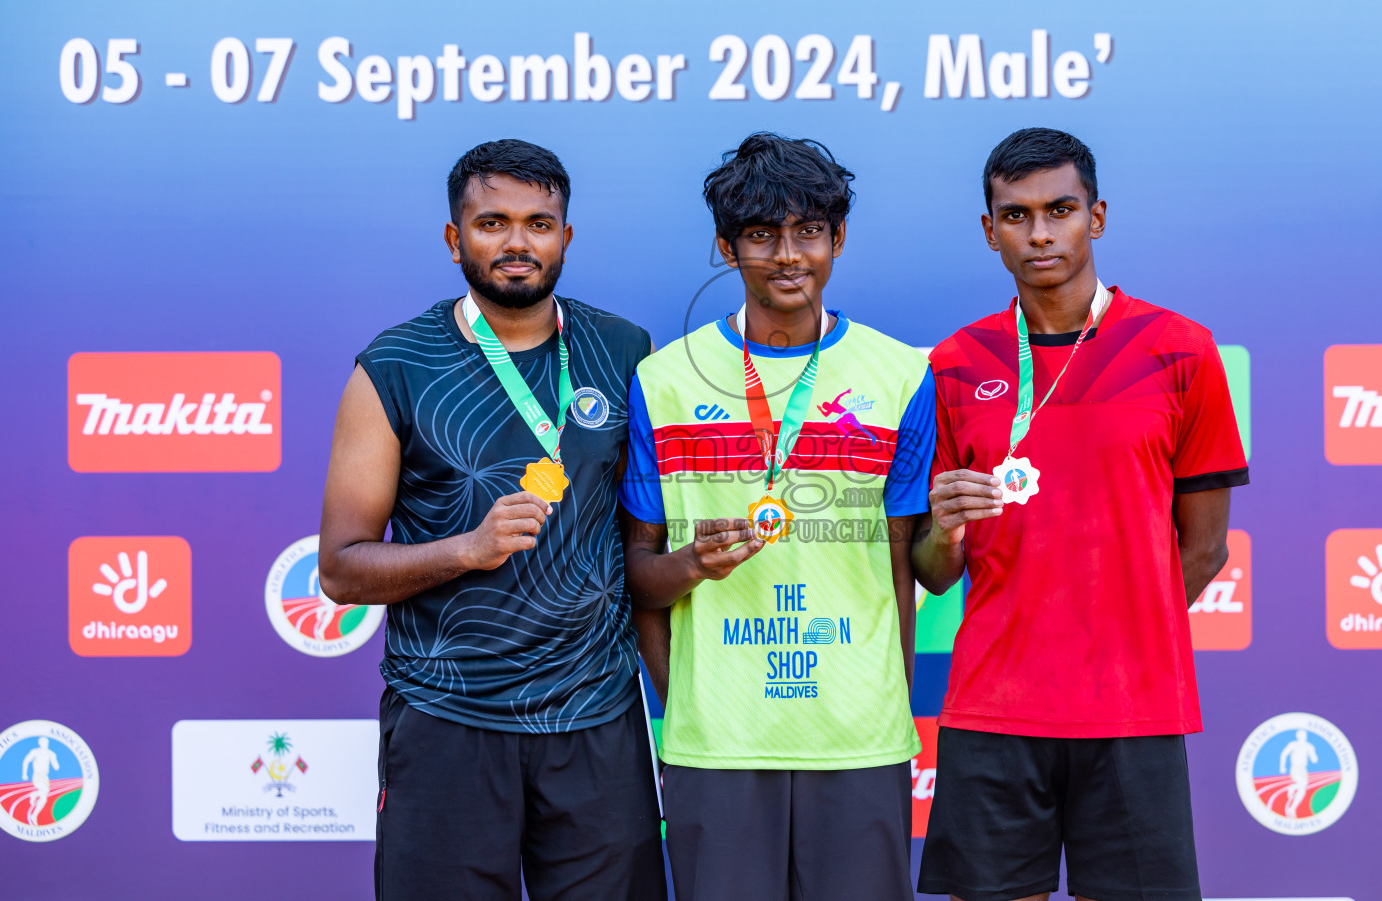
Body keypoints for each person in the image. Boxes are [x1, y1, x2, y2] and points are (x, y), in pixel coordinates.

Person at [317, 139, 665, 901]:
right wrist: (466, 550)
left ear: (565, 239)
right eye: (492, 223)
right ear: (454, 240)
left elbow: (648, 537)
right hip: (448, 716)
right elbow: (341, 569)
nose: (517, 243)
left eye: (539, 224)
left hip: (595, 714)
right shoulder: (396, 366)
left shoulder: (624, 350)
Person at [914, 128, 1249, 901]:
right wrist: (948, 527)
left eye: (1059, 210)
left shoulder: (1180, 351)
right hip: (994, 710)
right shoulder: (954, 365)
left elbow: (1204, 551)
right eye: (1016, 215)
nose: (1039, 233)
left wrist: (1120, 630)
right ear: (989, 230)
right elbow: (935, 572)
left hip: (1133, 711)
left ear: (1095, 217)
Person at [619, 132, 935, 901]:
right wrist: (687, 695)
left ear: (838, 239)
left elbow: (903, 565)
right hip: (716, 742)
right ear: (727, 247)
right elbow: (637, 573)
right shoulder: (662, 382)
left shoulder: (902, 376)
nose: (788, 255)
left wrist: (882, 704)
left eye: (808, 232)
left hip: (860, 735)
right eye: (762, 235)